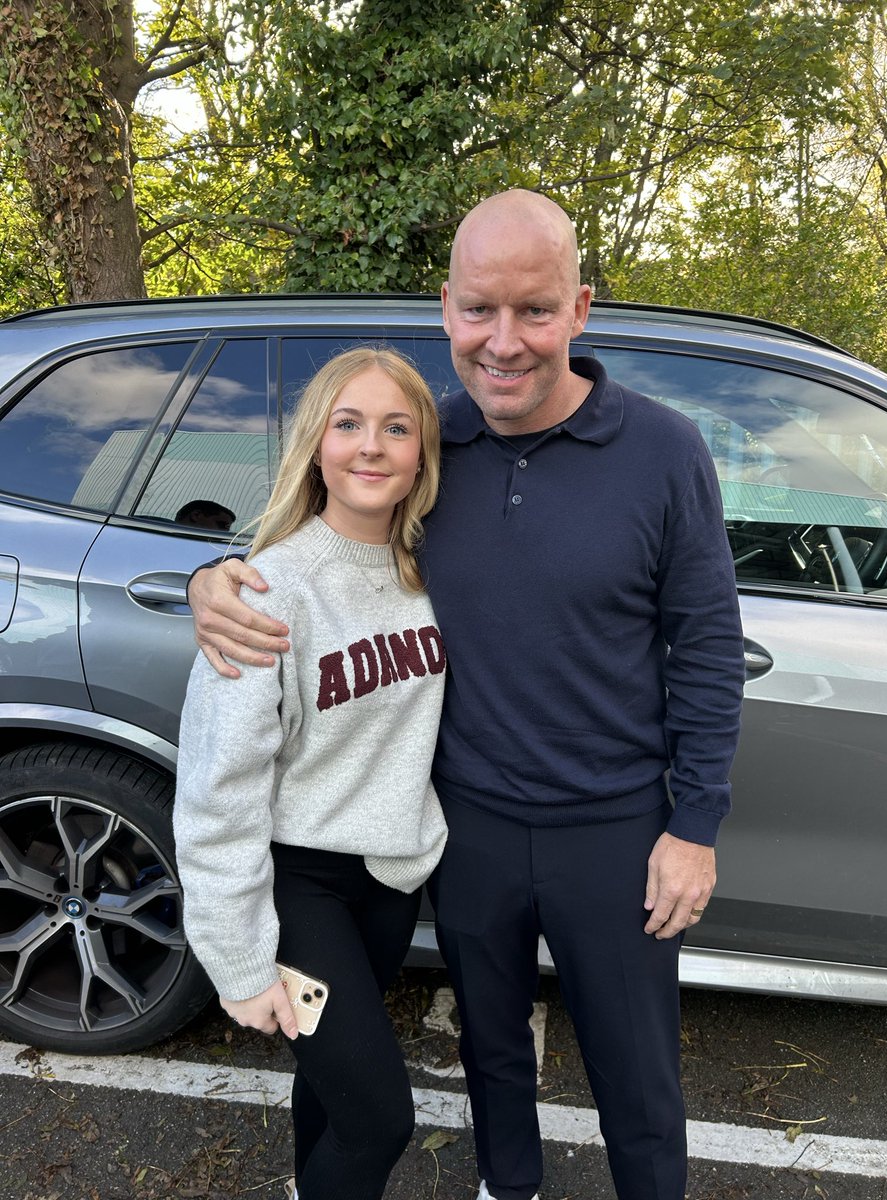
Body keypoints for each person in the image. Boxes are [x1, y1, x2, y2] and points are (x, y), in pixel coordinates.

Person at [187, 190, 746, 1200]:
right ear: (446, 308)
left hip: (615, 830)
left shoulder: (665, 452)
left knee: (640, 1080)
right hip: (462, 828)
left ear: (580, 309)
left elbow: (707, 645)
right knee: (491, 1050)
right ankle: (508, 1187)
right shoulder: (424, 444)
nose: (505, 341)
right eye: (480, 310)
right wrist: (213, 577)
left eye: (534, 311)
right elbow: (320, 521)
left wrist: (695, 822)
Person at [174, 347, 447, 1200]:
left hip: (390, 879)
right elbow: (219, 788)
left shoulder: (430, 573)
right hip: (302, 886)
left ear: (422, 454)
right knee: (380, 1119)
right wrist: (239, 958)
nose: (372, 446)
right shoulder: (266, 592)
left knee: (329, 1090)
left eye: (396, 427)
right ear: (316, 444)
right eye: (350, 423)